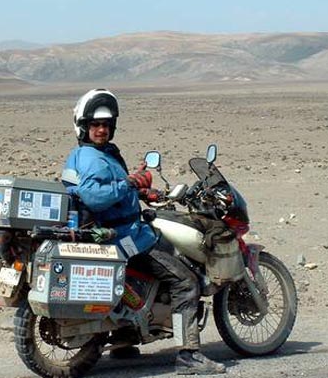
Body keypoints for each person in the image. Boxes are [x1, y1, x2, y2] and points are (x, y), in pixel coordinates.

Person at [61, 89, 227, 375]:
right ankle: (189, 355)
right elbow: (95, 197)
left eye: (106, 125)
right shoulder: (92, 158)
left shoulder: (99, 154)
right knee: (185, 281)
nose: (101, 130)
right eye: (95, 125)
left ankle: (125, 337)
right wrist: (129, 183)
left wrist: (143, 191)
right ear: (84, 127)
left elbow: (113, 192)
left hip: (117, 229)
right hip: (122, 236)